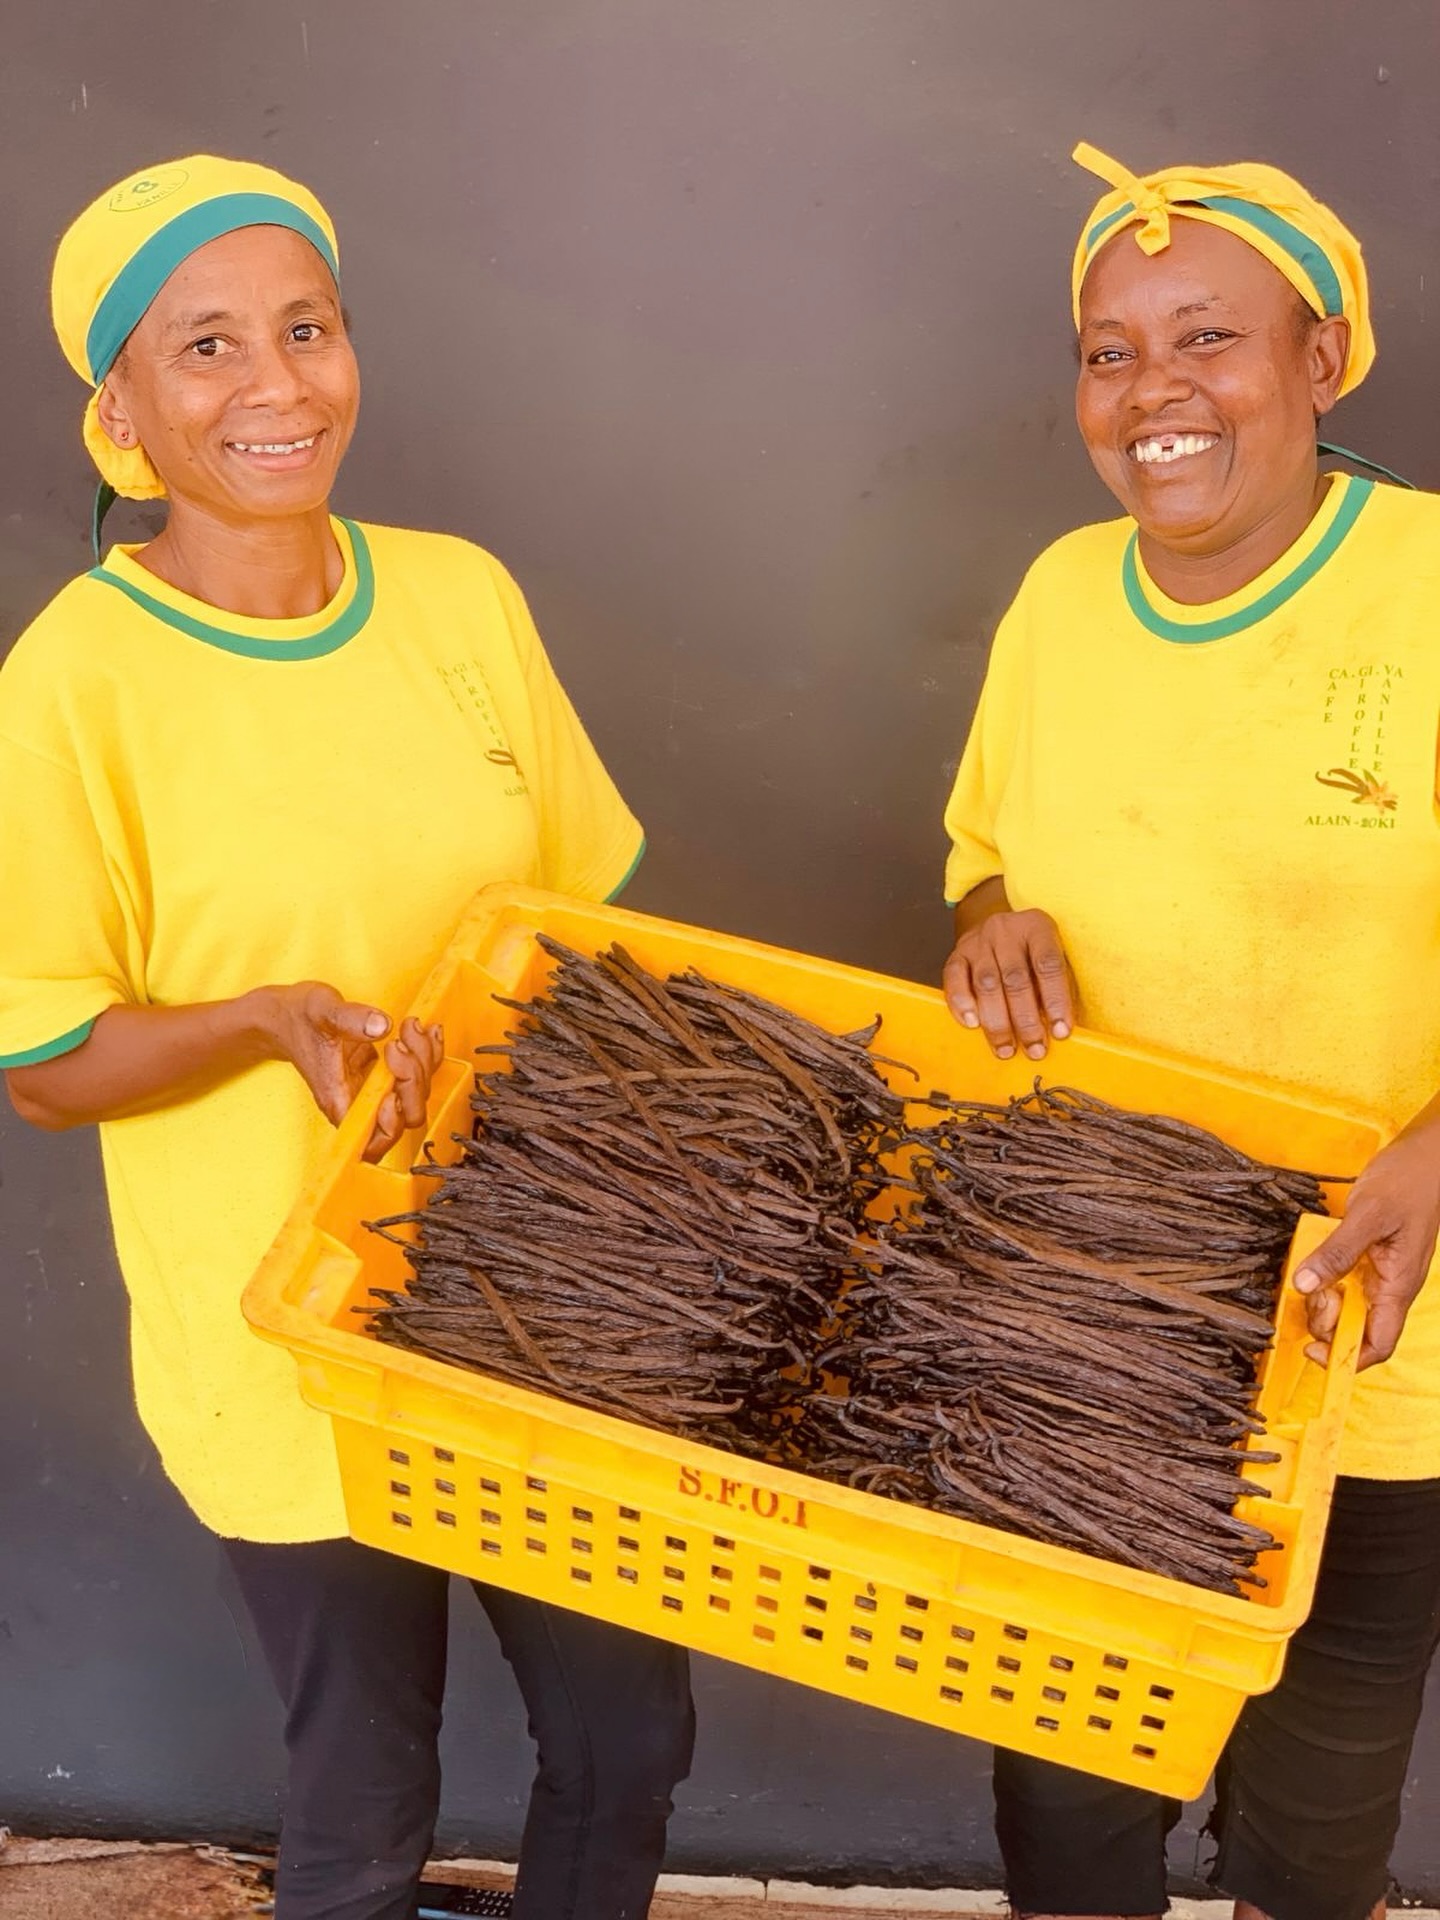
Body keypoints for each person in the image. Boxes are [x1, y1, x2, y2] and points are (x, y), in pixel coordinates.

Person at [0, 155, 693, 1920]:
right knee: (368, 1794)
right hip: (290, 1342)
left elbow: (588, 929)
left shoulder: (460, 602)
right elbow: (40, 1059)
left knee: (626, 1740)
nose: (276, 385)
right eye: (208, 347)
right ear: (123, 411)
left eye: (304, 329)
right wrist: (250, 1023)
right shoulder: (78, 683)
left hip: (538, 1311)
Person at [941, 143, 1440, 1920]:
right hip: (1080, 1328)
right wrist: (992, 933)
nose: (1153, 391)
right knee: (1069, 1827)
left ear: (1322, 359)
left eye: (1208, 337)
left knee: (1314, 1837)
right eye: (1108, 348)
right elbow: (984, 869)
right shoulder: (1062, 601)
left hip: (1367, 1356)